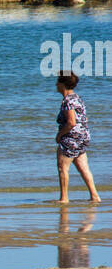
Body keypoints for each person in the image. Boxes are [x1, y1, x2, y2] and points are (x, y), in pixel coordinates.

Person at [55, 72, 100, 203]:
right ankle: (94, 195)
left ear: (63, 84)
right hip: (83, 137)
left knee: (62, 167)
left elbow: (71, 122)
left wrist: (59, 135)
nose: (56, 84)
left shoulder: (68, 101)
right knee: (83, 167)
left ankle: (64, 198)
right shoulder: (77, 98)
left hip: (71, 138)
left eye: (58, 82)